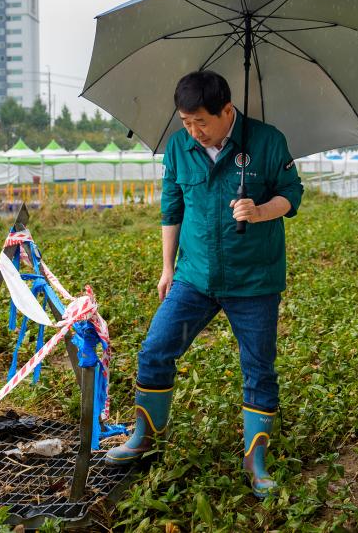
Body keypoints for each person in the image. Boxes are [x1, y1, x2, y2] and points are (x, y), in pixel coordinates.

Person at [106, 70, 304, 498]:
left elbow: (292, 193)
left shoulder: (267, 142)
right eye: (185, 122)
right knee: (156, 350)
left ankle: (256, 460)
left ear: (227, 111)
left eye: (201, 122)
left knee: (258, 369)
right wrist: (166, 268)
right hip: (194, 277)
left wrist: (261, 210)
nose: (194, 132)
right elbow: (171, 206)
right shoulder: (180, 148)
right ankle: (145, 438)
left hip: (254, 280)